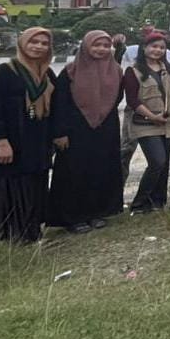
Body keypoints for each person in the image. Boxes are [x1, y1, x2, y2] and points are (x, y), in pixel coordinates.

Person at [0, 28, 56, 242]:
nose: (39, 46)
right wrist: (2, 142)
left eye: (44, 43)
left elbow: (57, 107)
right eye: (34, 42)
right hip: (12, 140)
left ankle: (32, 230)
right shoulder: (4, 72)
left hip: (38, 141)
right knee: (14, 186)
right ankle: (18, 234)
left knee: (35, 186)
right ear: (22, 43)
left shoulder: (47, 74)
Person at [47, 31, 123, 232]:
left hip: (105, 128)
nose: (101, 49)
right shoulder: (71, 71)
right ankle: (73, 217)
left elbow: (117, 98)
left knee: (100, 170)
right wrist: (60, 132)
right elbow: (60, 104)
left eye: (106, 46)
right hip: (75, 130)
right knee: (74, 173)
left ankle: (96, 213)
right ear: (86, 46)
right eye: (96, 45)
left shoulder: (115, 70)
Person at [124, 31, 170, 213]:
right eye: (154, 46)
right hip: (146, 124)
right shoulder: (134, 70)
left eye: (162, 47)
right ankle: (139, 203)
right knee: (157, 161)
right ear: (144, 48)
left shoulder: (169, 69)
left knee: (163, 165)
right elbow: (133, 100)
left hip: (169, 123)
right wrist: (152, 116)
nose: (157, 50)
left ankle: (158, 201)